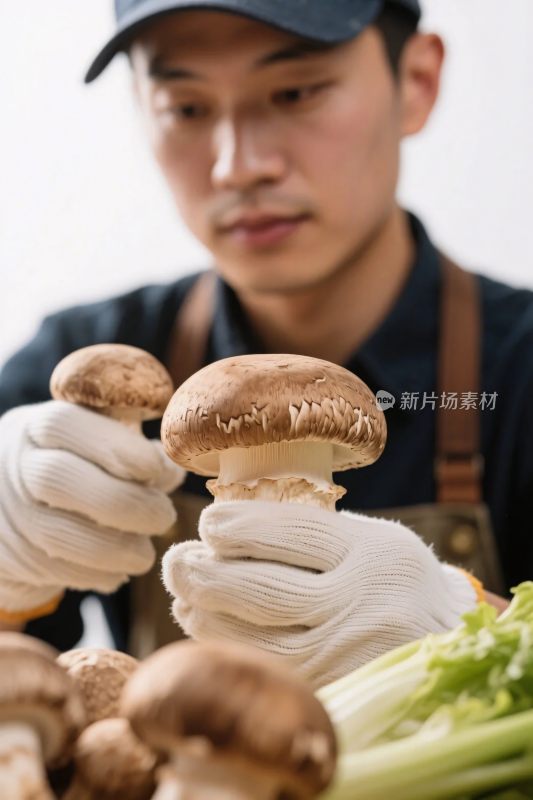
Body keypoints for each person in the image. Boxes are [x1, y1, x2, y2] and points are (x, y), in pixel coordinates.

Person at [1, 0, 531, 686]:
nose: (237, 166)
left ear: (417, 82)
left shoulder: (516, 371)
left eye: (295, 92)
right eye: (186, 108)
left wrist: (467, 623)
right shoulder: (92, 368)